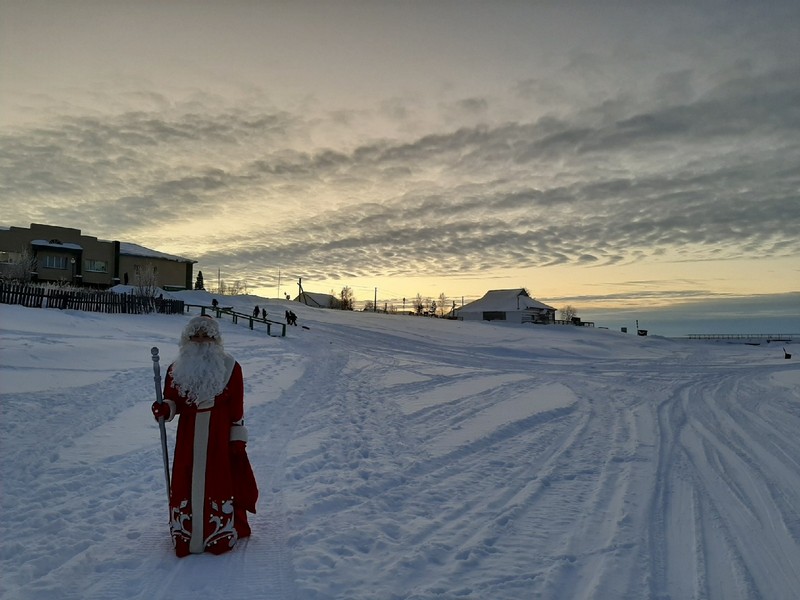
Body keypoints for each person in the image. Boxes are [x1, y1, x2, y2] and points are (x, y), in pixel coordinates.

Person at [151, 315, 258, 557]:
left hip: (218, 439)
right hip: (188, 438)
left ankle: (216, 534)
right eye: (195, 336)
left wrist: (237, 442)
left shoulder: (231, 367)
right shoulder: (176, 369)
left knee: (217, 481)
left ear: (216, 339)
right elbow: (173, 400)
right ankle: (186, 534)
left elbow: (236, 412)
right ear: (187, 339)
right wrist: (165, 409)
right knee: (186, 478)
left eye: (206, 335)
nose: (201, 341)